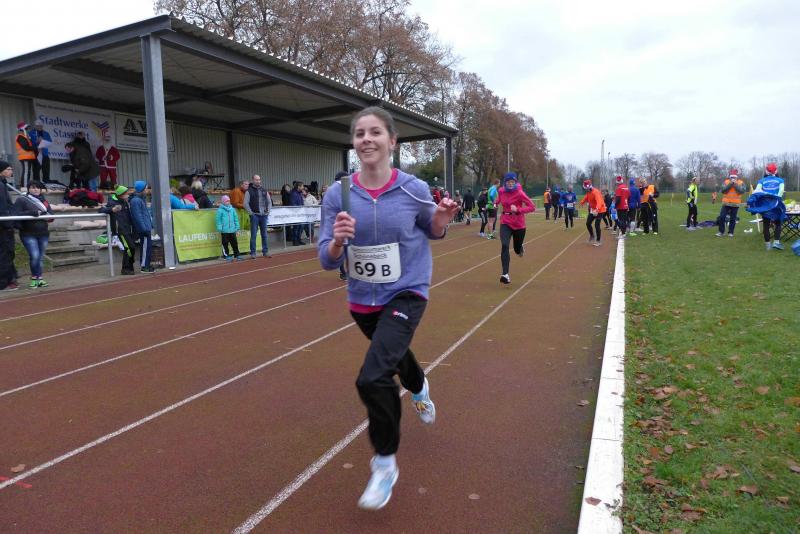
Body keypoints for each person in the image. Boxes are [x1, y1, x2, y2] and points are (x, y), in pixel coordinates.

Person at [317, 106, 458, 511]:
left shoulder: (413, 188)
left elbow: (433, 229)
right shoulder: (338, 194)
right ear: (353, 143)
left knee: (373, 376)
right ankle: (419, 385)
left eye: (375, 132)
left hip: (407, 291)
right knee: (394, 355)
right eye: (360, 133)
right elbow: (326, 259)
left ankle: (384, 463)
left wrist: (442, 218)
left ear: (392, 141)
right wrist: (338, 241)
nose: (367, 139)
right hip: (362, 300)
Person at [496, 172, 535, 284]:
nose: (510, 184)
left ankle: (520, 248)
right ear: (505, 182)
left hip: (519, 224)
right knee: (504, 245)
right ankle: (505, 274)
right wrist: (495, 203)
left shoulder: (519, 193)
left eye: (512, 182)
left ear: (515, 182)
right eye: (508, 182)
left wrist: (518, 210)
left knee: (517, 249)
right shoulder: (501, 191)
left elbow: (532, 207)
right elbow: (498, 200)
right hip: (505, 222)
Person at [15, 180, 53, 287]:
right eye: (33, 187)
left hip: (43, 233)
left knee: (40, 257)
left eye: (38, 188)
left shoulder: (44, 201)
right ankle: (34, 278)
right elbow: (16, 213)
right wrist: (32, 213)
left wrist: (48, 216)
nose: (35, 189)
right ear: (28, 189)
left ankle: (39, 278)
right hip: (28, 233)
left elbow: (51, 214)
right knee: (35, 255)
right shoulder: (22, 199)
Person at [100, 185, 136, 275]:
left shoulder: (124, 202)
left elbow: (128, 216)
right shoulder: (112, 202)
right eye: (126, 193)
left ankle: (129, 266)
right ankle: (125, 268)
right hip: (120, 231)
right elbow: (101, 210)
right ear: (121, 194)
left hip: (128, 229)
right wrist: (112, 209)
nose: (127, 195)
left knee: (131, 247)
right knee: (129, 248)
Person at [749, 163, 786, 250]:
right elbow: (781, 191)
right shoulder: (780, 180)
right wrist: (777, 198)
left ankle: (768, 246)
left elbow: (757, 191)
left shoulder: (762, 181)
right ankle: (776, 242)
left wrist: (752, 200)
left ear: (766, 171)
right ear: (776, 171)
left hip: (765, 205)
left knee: (766, 224)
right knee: (778, 223)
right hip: (776, 204)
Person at [0, 161, 19, 290]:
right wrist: (9, 224)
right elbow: (3, 207)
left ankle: (11, 278)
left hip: (5, 224)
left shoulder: (3, 184)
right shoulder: (1, 186)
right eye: (8, 169)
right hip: (4, 226)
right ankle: (3, 282)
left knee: (7, 253)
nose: (11, 171)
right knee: (6, 254)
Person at [244, 174, 272, 258]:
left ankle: (265, 251)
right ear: (253, 180)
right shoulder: (249, 191)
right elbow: (245, 204)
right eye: (256, 180)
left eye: (259, 179)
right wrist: (251, 213)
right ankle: (253, 253)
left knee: (264, 235)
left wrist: (268, 211)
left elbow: (269, 202)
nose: (258, 181)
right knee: (253, 235)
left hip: (264, 216)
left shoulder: (264, 190)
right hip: (255, 216)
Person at [130, 181, 155, 273]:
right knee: (145, 248)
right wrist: (143, 228)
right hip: (143, 229)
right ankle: (144, 267)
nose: (147, 190)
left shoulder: (140, 199)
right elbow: (137, 216)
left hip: (145, 227)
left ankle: (146, 264)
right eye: (146, 188)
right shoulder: (136, 201)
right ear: (142, 189)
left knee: (147, 248)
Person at [716, 170, 745, 237]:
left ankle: (731, 232)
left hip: (735, 204)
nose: (733, 178)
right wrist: (730, 184)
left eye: (734, 177)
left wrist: (735, 185)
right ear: (730, 177)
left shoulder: (741, 182)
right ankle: (721, 232)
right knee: (722, 217)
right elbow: (723, 191)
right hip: (726, 203)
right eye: (731, 177)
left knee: (733, 219)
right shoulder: (726, 182)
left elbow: (742, 191)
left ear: (736, 177)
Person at [580, 179, 606, 246]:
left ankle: (598, 240)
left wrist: (597, 209)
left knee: (597, 225)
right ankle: (592, 236)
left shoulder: (595, 192)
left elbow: (599, 201)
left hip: (600, 210)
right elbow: (586, 197)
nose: (586, 189)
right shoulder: (588, 192)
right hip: (593, 210)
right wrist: (582, 202)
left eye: (586, 188)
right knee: (588, 223)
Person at [216, 195, 241, 261]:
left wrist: (237, 227)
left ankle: (237, 255)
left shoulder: (232, 209)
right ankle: (226, 255)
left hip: (232, 230)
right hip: (224, 230)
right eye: (226, 201)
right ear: (223, 202)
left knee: (234, 243)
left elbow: (236, 218)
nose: (228, 202)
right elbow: (218, 220)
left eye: (229, 201)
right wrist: (220, 228)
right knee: (225, 244)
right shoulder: (220, 210)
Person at [15, 122, 37, 188]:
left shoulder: (25, 137)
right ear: (22, 129)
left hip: (28, 157)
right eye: (26, 128)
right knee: (26, 172)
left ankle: (25, 186)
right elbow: (26, 147)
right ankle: (24, 187)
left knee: (27, 172)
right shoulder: (20, 137)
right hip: (25, 157)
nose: (27, 130)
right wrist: (36, 148)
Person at [290, 181, 306, 245]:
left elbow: (301, 202)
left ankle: (299, 239)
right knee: (296, 227)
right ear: (298, 187)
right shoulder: (294, 193)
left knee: (300, 227)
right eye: (302, 186)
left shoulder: (299, 193)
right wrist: (298, 210)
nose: (303, 187)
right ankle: (295, 240)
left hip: (300, 213)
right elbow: (293, 204)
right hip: (296, 213)